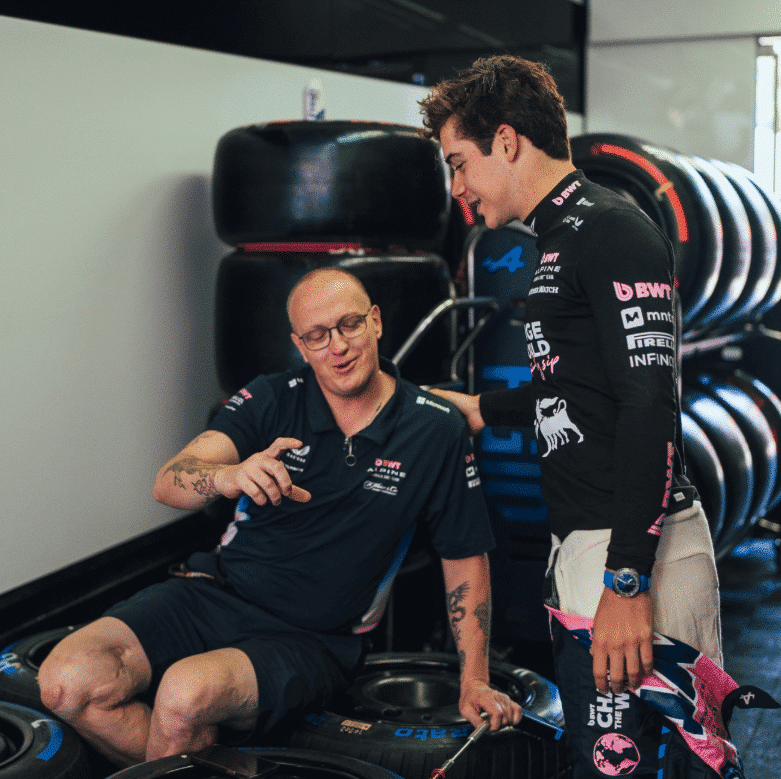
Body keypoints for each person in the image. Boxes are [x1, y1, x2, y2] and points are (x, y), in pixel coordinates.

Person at [37, 267, 521, 767]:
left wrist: (475, 680)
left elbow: (465, 557)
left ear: (376, 321)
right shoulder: (272, 396)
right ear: (300, 346)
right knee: (66, 680)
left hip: (313, 640)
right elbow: (169, 480)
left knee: (183, 695)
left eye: (350, 324)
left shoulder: (433, 428)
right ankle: (205, 766)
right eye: (318, 335)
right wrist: (228, 476)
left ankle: (189, 759)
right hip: (216, 592)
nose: (338, 346)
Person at [418, 56, 724, 776]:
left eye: (459, 164)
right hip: (589, 550)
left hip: (632, 559)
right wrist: (485, 408)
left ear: (506, 141)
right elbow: (580, 390)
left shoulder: (613, 231)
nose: (457, 188)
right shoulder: (557, 237)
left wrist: (627, 580)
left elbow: (649, 406)